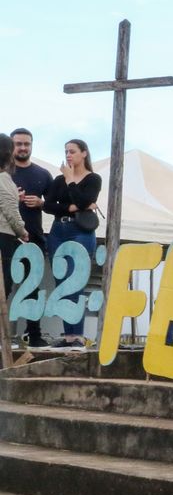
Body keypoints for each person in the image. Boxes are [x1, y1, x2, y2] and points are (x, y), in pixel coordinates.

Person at [41, 139, 100, 349]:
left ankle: (77, 336)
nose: (68, 155)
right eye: (66, 151)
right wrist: (71, 207)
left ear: (84, 153)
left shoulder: (93, 178)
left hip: (81, 232)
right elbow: (47, 205)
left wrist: (70, 180)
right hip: (58, 230)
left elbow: (85, 201)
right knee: (62, 283)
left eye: (72, 151)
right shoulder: (58, 180)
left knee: (76, 281)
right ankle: (68, 336)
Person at [9, 129, 49, 347]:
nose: (23, 148)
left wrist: (42, 203)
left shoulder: (43, 174)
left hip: (34, 240)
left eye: (27, 143)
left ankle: (34, 335)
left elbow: (56, 204)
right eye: (18, 144)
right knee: (3, 288)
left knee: (32, 287)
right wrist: (13, 198)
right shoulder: (3, 173)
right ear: (11, 146)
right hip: (6, 238)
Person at [0, 134, 30, 320]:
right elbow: (10, 210)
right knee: (3, 287)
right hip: (4, 237)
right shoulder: (4, 178)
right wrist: (22, 231)